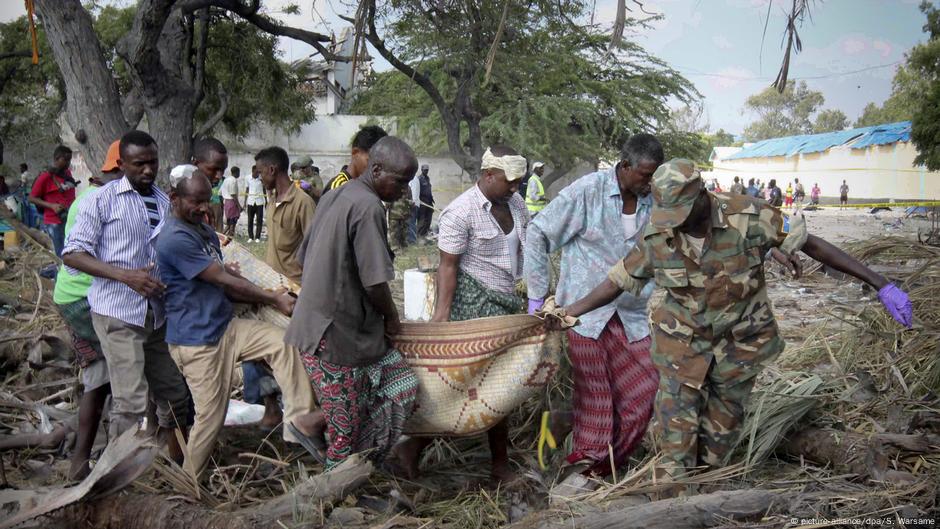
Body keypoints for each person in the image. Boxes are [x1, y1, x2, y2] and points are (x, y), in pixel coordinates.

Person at [557, 159, 913, 498]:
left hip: (739, 348)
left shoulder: (749, 215)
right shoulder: (659, 234)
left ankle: (706, 494)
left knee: (716, 447)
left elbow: (813, 245)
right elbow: (618, 280)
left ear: (701, 196)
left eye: (681, 212)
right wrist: (571, 311)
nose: (675, 222)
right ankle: (672, 503)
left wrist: (880, 284)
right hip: (682, 349)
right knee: (675, 446)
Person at [155, 168, 325, 478]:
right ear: (174, 199)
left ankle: (298, 424)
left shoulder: (202, 230)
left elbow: (226, 273)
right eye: (197, 201)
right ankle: (187, 482)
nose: (205, 208)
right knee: (210, 417)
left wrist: (266, 290)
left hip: (226, 327)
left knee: (283, 344)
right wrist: (272, 299)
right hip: (197, 344)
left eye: (208, 200)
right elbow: (219, 277)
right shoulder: (172, 239)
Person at [524, 134, 663, 488]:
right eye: (645, 175)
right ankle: (585, 469)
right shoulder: (588, 192)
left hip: (630, 316)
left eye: (654, 175)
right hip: (583, 315)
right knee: (597, 397)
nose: (650, 182)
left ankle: (606, 465)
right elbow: (538, 232)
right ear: (625, 165)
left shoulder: (655, 202)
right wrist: (538, 299)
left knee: (644, 390)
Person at [395, 145, 529, 484]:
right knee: (485, 386)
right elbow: (448, 267)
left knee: (495, 387)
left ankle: (415, 448)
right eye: (509, 181)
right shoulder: (460, 212)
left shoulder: (517, 204)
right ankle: (497, 465)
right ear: (488, 175)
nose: (514, 187)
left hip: (508, 304)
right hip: (474, 306)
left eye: (518, 181)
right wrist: (441, 320)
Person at [285, 136, 420, 470]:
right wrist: (392, 319)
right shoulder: (368, 206)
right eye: (400, 181)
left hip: (340, 329)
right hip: (333, 336)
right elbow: (375, 281)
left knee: (402, 385)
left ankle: (329, 433)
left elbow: (304, 257)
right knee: (345, 432)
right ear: (375, 170)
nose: (403, 191)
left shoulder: (333, 195)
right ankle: (334, 497)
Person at [62, 130, 192, 461]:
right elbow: (73, 254)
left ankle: (175, 463)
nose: (148, 170)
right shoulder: (100, 200)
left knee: (176, 396)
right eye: (139, 164)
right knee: (131, 403)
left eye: (153, 163)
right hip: (117, 313)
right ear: (121, 164)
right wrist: (125, 276)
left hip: (155, 315)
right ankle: (118, 479)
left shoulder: (164, 202)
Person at [53, 139, 123, 481]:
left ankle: (85, 458)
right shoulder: (98, 201)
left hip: (84, 295)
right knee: (106, 376)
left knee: (105, 378)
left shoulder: (92, 197)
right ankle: (87, 461)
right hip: (84, 298)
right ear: (121, 169)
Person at [257, 147, 316, 285]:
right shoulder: (271, 201)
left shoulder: (303, 203)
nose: (260, 178)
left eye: (261, 173)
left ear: (272, 170)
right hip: (272, 284)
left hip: (295, 287)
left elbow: (315, 250)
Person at [29, 145, 77, 257]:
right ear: (56, 159)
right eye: (65, 160)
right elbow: (31, 198)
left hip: (68, 217)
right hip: (54, 221)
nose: (68, 163)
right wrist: (51, 206)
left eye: (69, 160)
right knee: (61, 254)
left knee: (70, 251)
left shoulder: (67, 174)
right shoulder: (45, 177)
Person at [324, 126, 388, 193]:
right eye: (371, 162)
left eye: (381, 166)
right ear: (355, 153)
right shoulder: (339, 188)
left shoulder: (364, 187)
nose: (375, 169)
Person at [192, 138, 229, 233]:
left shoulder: (205, 197)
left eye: (223, 170)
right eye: (214, 169)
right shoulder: (179, 202)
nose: (219, 176)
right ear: (196, 164)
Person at [246, 164, 266, 242]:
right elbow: (247, 189)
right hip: (250, 201)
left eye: (258, 172)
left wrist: (266, 201)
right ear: (252, 171)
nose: (257, 174)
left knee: (259, 220)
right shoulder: (248, 178)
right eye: (256, 172)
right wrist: (245, 202)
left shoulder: (262, 179)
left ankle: (257, 237)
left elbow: (265, 189)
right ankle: (250, 237)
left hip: (259, 202)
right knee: (250, 220)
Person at [220, 166, 241, 237]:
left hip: (226, 202)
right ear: (236, 172)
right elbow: (233, 194)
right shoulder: (233, 180)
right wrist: (239, 206)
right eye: (239, 173)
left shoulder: (226, 180)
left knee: (230, 221)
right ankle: (230, 236)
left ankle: (223, 235)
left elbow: (220, 192)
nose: (239, 174)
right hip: (232, 202)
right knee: (233, 221)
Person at [416, 164, 435, 237]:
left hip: (429, 202)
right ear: (421, 170)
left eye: (427, 170)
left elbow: (429, 190)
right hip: (423, 202)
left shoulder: (428, 178)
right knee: (422, 220)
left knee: (428, 219)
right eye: (425, 170)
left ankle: (424, 234)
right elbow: (417, 191)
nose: (426, 171)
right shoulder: (419, 179)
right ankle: (419, 235)